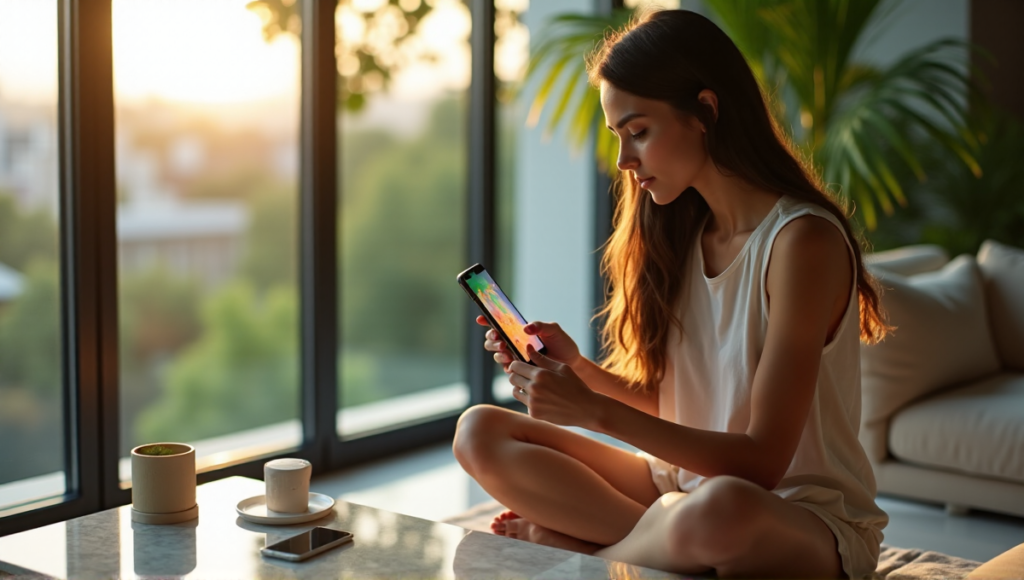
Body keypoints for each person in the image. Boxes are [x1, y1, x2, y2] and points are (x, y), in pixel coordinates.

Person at [452, 8, 890, 579]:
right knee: (479, 430)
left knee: (721, 510)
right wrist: (581, 372)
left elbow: (761, 462)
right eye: (618, 137)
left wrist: (595, 413)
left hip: (793, 517)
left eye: (639, 132)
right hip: (679, 489)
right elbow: (684, 405)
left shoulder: (801, 242)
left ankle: (590, 556)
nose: (623, 160)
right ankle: (652, 549)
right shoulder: (681, 233)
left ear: (705, 111)